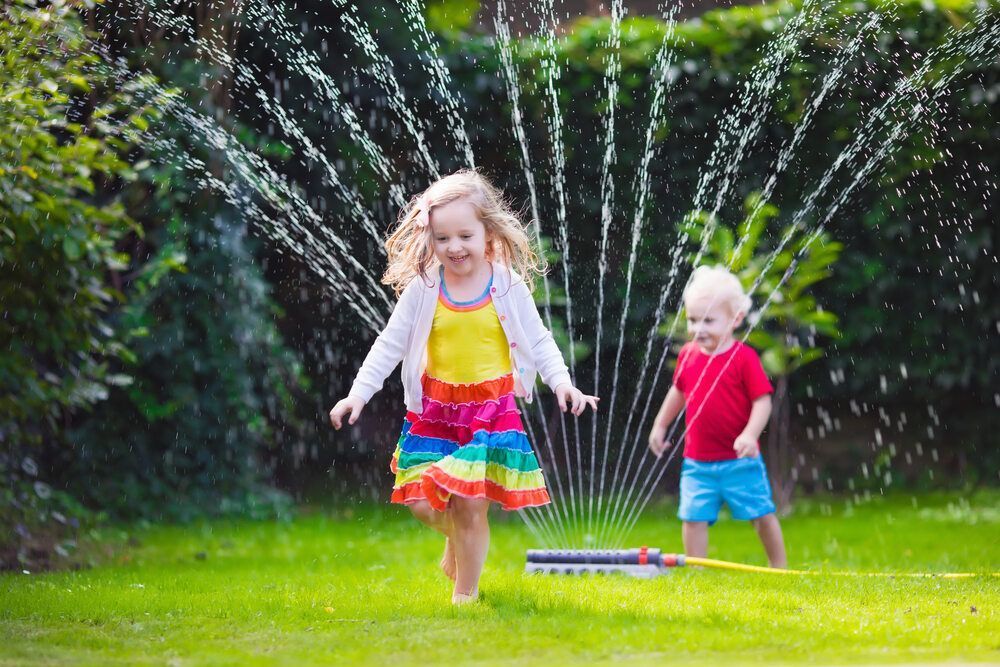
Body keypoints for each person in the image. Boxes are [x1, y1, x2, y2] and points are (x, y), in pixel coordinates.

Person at [329, 169, 598, 604]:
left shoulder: (506, 285)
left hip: (489, 411)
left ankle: (465, 597)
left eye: (465, 236)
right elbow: (389, 344)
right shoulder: (424, 288)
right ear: (430, 239)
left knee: (471, 503)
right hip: (434, 411)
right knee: (420, 501)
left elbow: (539, 339)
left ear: (488, 233)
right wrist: (357, 394)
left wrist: (564, 384)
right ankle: (460, 540)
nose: (454, 247)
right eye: (442, 238)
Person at [647, 265, 787, 568]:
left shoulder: (743, 359)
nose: (699, 329)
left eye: (709, 320)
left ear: (735, 319)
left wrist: (750, 435)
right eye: (694, 320)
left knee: (761, 515)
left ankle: (779, 567)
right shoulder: (688, 354)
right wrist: (660, 424)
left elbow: (762, 401)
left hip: (740, 461)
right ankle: (698, 569)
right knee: (693, 518)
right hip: (698, 461)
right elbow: (678, 392)